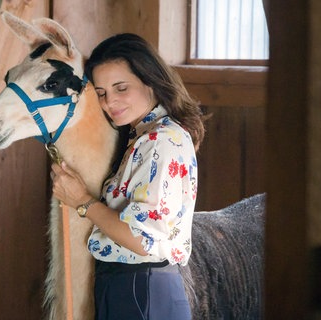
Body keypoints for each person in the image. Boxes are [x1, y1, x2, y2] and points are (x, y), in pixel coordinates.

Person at [51, 33, 205, 320]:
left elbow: (140, 238)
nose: (110, 102)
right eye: (101, 92)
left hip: (140, 290)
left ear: (151, 81)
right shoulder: (141, 137)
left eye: (121, 88)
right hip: (132, 288)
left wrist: (81, 201)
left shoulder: (161, 142)